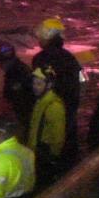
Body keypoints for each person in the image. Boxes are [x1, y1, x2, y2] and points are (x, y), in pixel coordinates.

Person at [30, 17, 82, 164]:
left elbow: (37, 88)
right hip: (69, 110)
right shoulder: (70, 58)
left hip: (48, 113)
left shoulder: (40, 59)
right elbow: (79, 85)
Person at [27, 67, 67, 186]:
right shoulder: (41, 101)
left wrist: (53, 157)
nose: (35, 86)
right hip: (36, 154)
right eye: (34, 83)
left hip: (44, 158)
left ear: (49, 85)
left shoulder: (53, 106)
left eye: (39, 84)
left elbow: (58, 138)